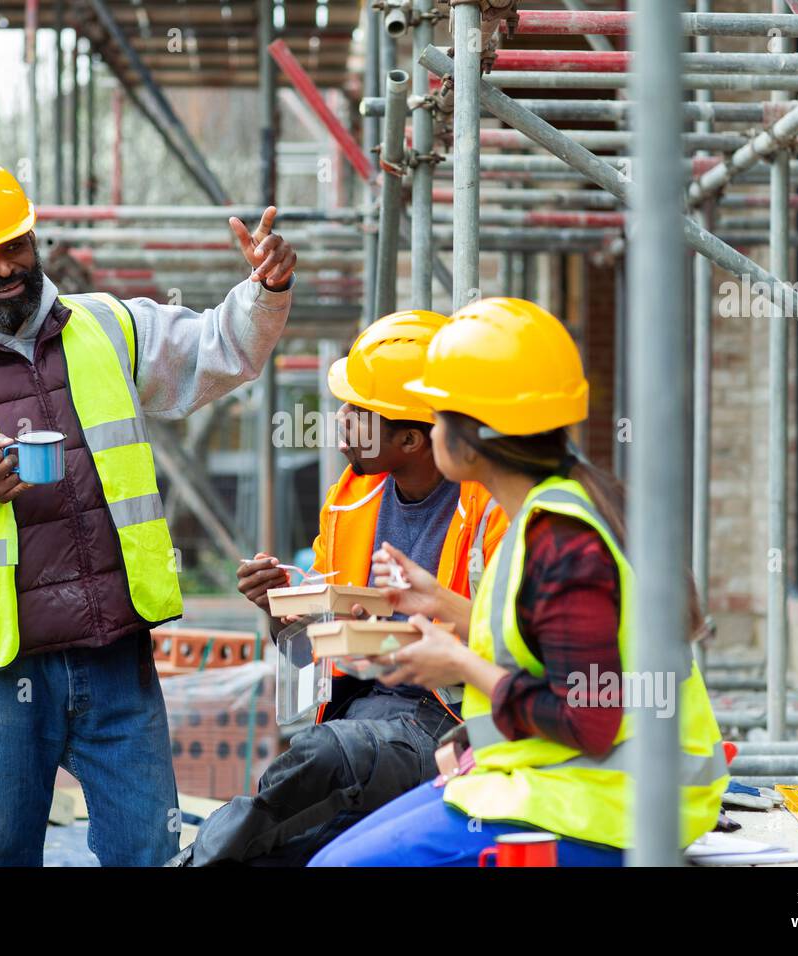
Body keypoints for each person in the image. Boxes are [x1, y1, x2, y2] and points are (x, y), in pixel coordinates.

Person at [0, 156, 296, 866]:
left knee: (148, 850)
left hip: (112, 655)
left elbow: (217, 350)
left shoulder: (103, 327)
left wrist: (265, 290)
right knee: (0, 857)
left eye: (16, 246)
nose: (5, 268)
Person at [308, 297, 728, 867]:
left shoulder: (565, 542)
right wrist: (442, 618)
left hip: (610, 809)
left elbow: (589, 717)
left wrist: (458, 666)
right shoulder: (547, 516)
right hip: (569, 784)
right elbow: (545, 669)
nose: (428, 432)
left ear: (472, 435)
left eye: (438, 416)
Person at [172, 310, 507, 866]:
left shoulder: (492, 511)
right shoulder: (351, 498)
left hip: (452, 727)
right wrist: (281, 610)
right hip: (359, 712)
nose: (342, 421)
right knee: (296, 822)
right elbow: (312, 655)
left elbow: (517, 647)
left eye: (359, 412)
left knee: (324, 761)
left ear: (412, 438)